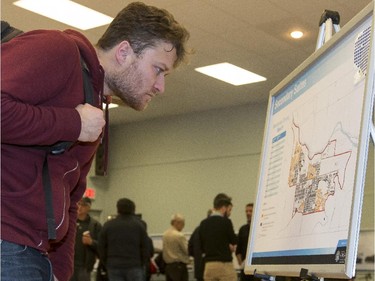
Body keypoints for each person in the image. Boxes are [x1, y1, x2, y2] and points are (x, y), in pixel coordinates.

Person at [1, 2, 190, 280]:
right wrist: (73, 123)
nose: (161, 86)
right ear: (124, 52)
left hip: (32, 250)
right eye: (158, 69)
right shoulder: (58, 49)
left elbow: (70, 202)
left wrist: (61, 274)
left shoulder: (94, 106)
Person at [98, 198, 149, 281]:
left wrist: (106, 262)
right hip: (134, 265)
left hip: (114, 265)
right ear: (133, 209)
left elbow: (101, 247)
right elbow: (145, 247)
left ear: (118, 209)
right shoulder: (139, 225)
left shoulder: (108, 225)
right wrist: (141, 263)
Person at [199, 193, 238, 281]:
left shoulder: (203, 223)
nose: (229, 213)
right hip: (224, 265)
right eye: (229, 210)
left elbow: (201, 246)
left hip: (209, 266)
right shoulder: (226, 222)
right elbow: (234, 240)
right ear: (224, 208)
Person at [70, 197, 102, 281]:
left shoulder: (95, 225)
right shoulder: (69, 222)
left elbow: (102, 246)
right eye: (78, 204)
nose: (79, 207)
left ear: (89, 207)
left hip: (85, 266)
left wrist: (91, 242)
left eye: (83, 205)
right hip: (68, 263)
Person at [162, 213, 190, 281]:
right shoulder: (179, 235)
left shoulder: (165, 234)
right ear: (176, 223)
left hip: (168, 267)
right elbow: (187, 250)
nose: (183, 226)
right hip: (179, 267)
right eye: (183, 224)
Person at [188, 209, 212, 281]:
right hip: (210, 269)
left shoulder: (197, 229)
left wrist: (197, 257)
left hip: (199, 269)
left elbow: (190, 247)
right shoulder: (212, 230)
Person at [236, 203, 254, 281]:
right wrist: (242, 264)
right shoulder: (242, 229)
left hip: (256, 268)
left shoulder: (259, 228)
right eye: (246, 211)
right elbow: (238, 251)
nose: (248, 213)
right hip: (245, 268)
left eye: (250, 211)